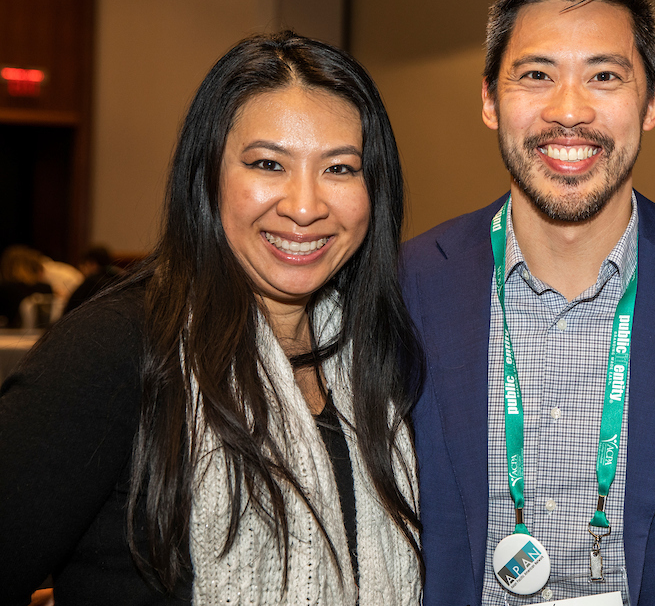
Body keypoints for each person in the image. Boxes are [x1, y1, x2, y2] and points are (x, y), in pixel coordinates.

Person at [403, 0, 655, 606]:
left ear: (653, 99)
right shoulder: (403, 290)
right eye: (536, 75)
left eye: (604, 76)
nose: (569, 112)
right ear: (491, 100)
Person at [0, 32, 424, 605]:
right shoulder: (117, 348)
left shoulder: (379, 360)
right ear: (208, 177)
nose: (304, 206)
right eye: (268, 164)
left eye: (340, 169)